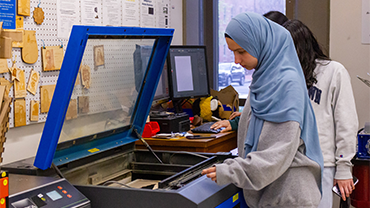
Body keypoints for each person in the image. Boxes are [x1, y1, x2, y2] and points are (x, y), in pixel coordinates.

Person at [202, 12, 324, 207]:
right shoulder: (263, 79)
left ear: (260, 43)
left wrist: (230, 171)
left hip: (289, 197)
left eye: (241, 52)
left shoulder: (287, 84)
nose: (236, 60)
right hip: (271, 193)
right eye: (232, 52)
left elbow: (276, 153)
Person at [283, 19, 358, 207]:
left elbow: (346, 123)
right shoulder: (283, 74)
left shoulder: (333, 71)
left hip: (322, 163)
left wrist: (344, 169)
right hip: (287, 164)